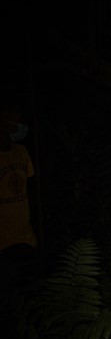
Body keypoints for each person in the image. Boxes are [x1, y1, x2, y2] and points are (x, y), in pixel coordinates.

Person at [0, 102, 38, 293]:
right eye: (17, 121)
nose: (21, 126)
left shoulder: (21, 152)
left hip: (27, 237)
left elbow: (29, 188)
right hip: (4, 243)